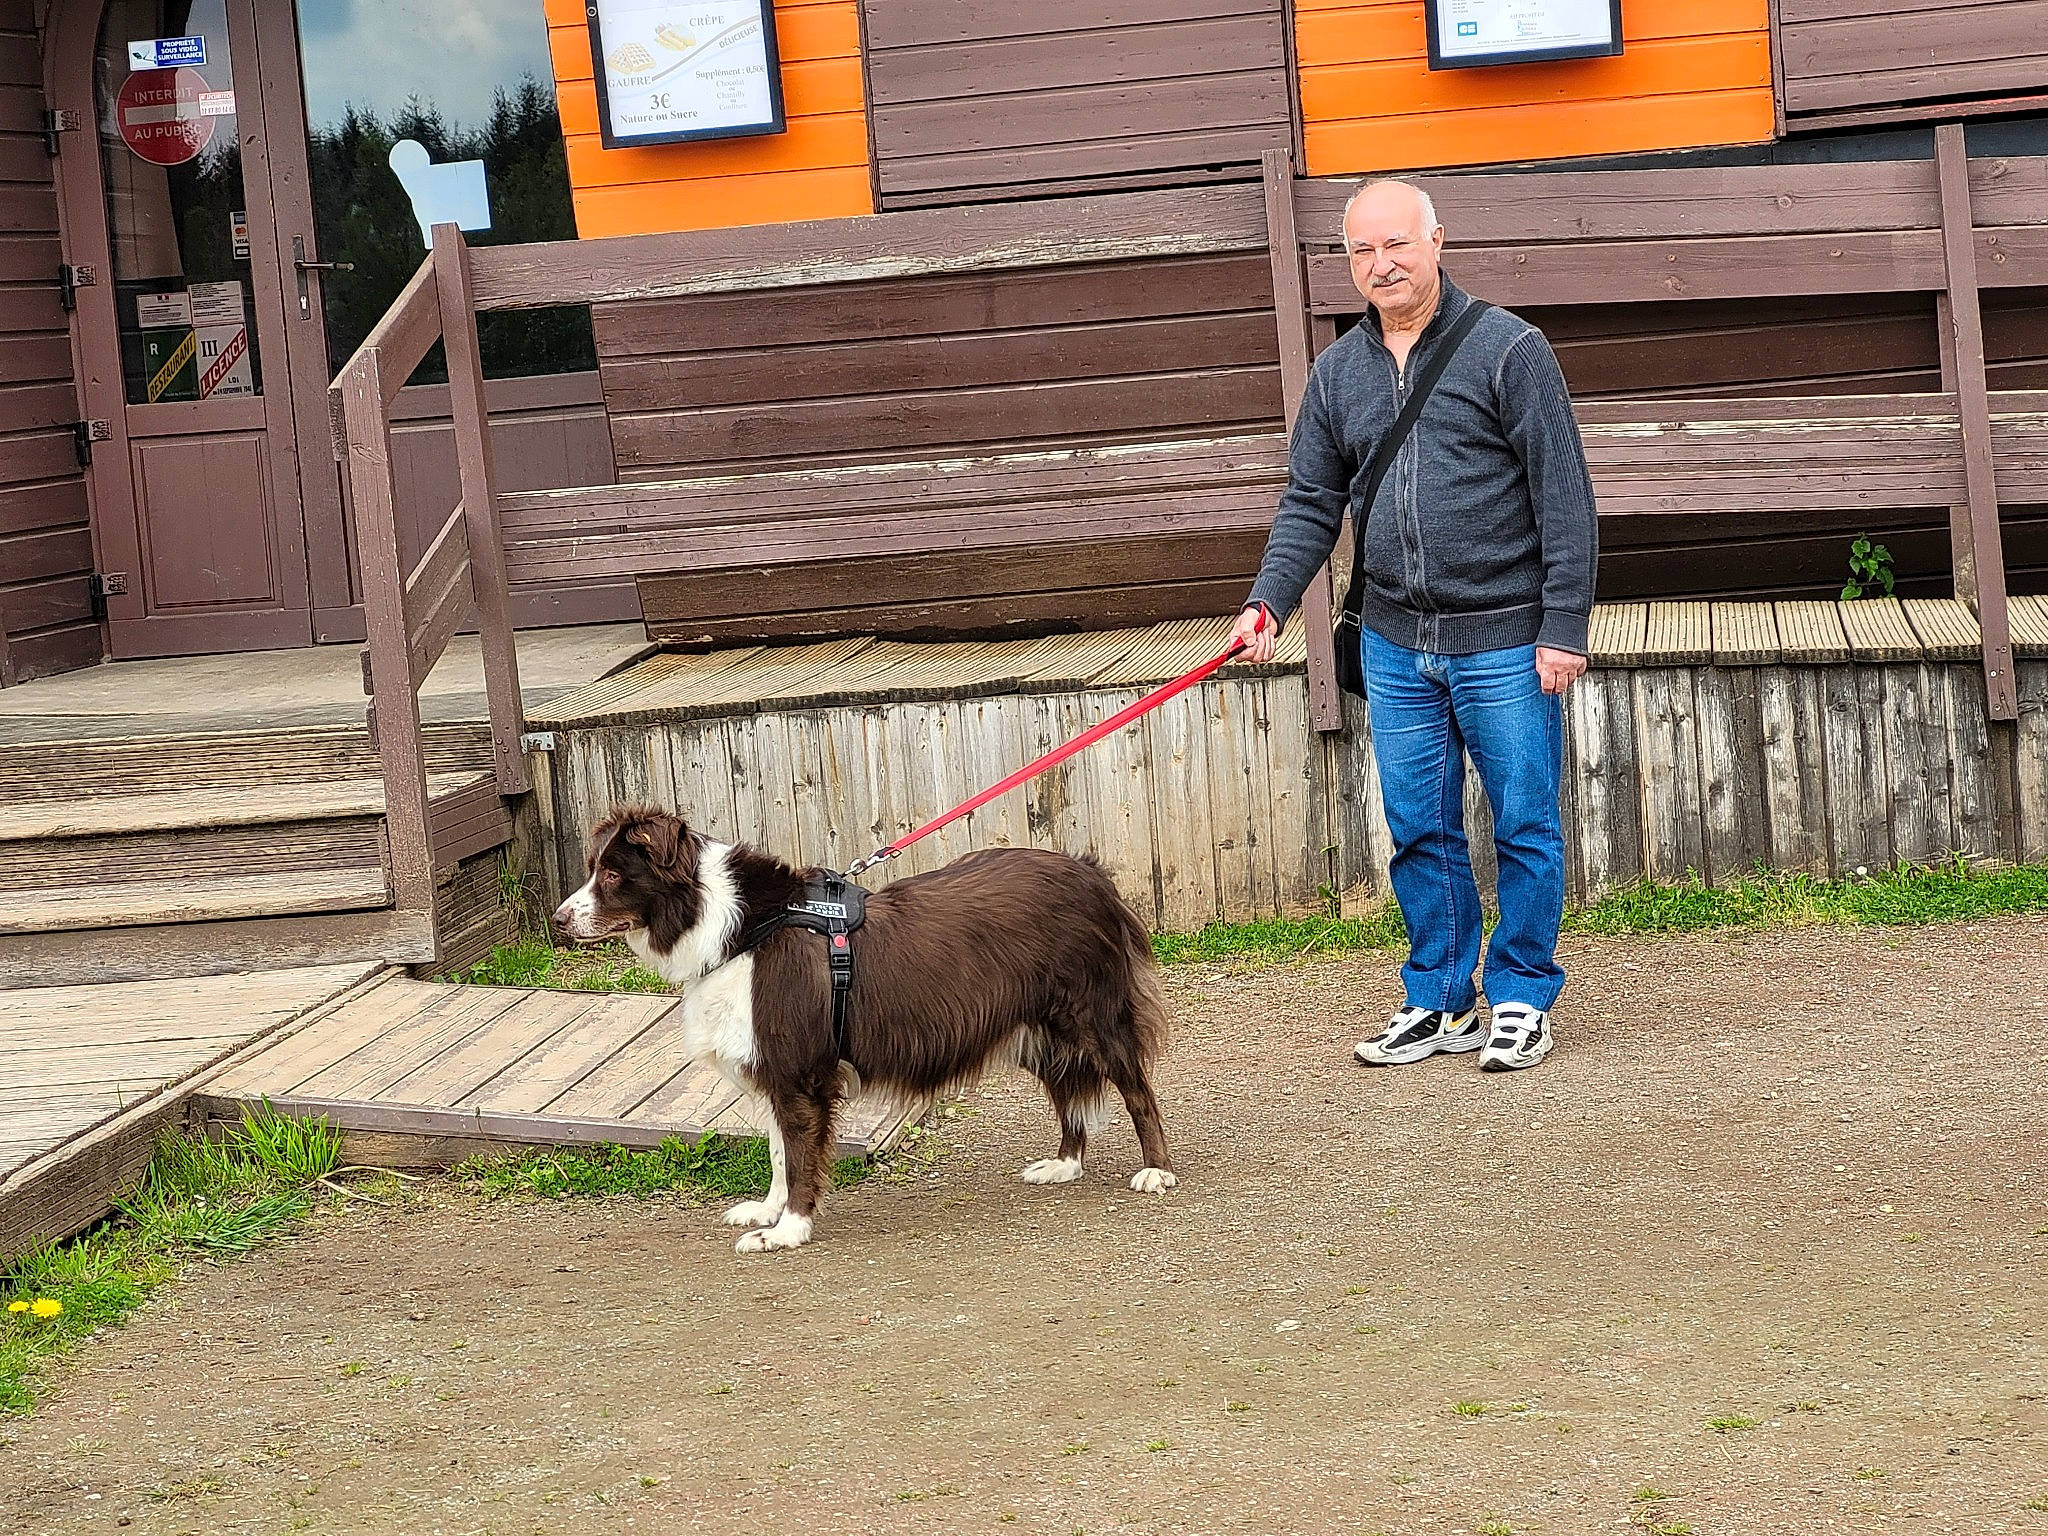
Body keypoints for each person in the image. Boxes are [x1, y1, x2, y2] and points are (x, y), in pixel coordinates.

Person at [1232, 179, 1597, 1074]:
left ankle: (1519, 995)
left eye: (1397, 244)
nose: (1381, 264)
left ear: (1438, 241)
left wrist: (1564, 626)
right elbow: (1312, 500)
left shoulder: (1511, 350)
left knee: (1523, 824)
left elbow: (1566, 496)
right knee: (1419, 829)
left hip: (1507, 638)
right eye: (1362, 251)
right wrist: (1266, 602)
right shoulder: (1339, 372)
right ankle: (1439, 999)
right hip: (1396, 641)